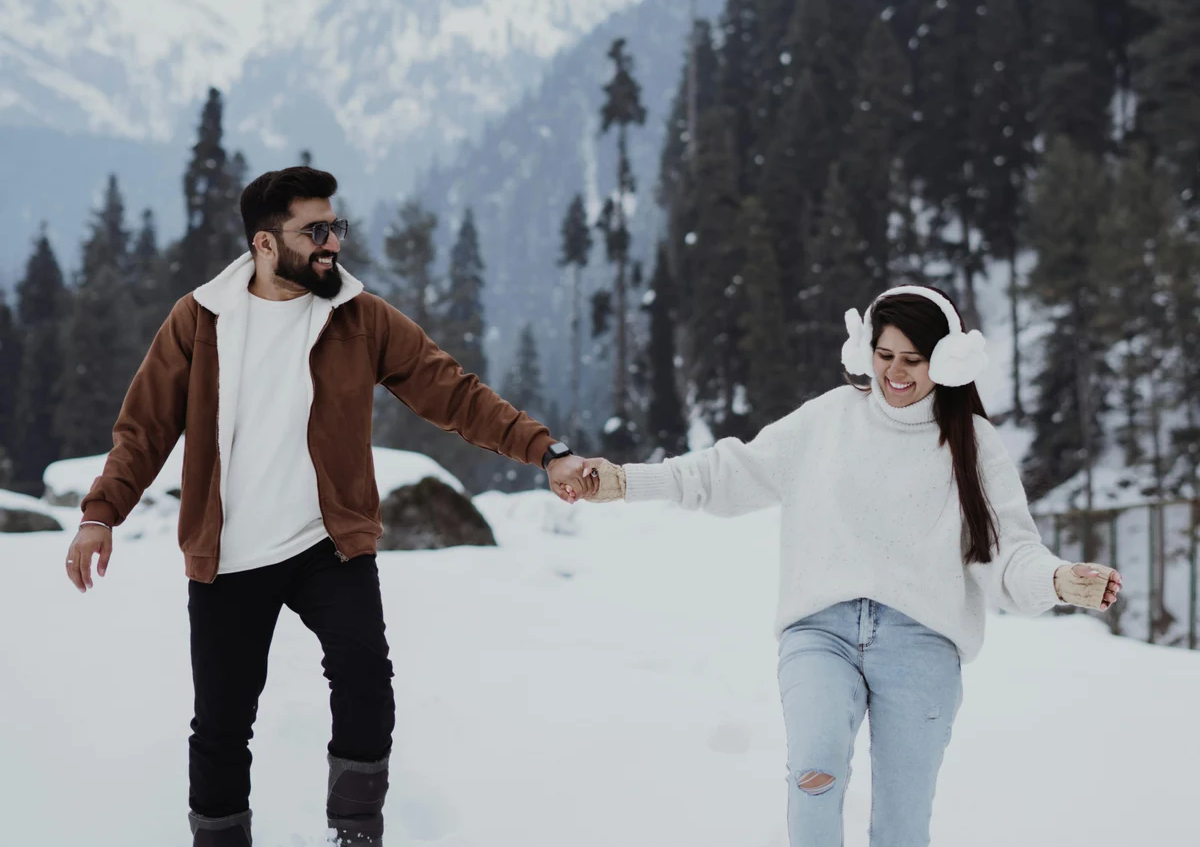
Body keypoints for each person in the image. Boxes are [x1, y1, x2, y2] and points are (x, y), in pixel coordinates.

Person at [63, 166, 599, 847]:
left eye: (335, 227)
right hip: (228, 553)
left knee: (367, 685)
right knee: (222, 725)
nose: (332, 244)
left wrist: (546, 452)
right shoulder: (200, 320)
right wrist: (99, 514)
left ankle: (353, 834)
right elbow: (143, 429)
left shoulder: (359, 316)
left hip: (328, 545)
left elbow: (453, 393)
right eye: (314, 230)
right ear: (263, 244)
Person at [582, 285, 1121, 847]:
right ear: (865, 351)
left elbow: (1007, 550)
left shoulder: (973, 444)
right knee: (815, 773)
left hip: (923, 643)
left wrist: (1057, 580)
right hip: (820, 631)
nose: (895, 373)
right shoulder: (829, 419)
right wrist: (626, 481)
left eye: (913, 360)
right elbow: (728, 471)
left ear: (944, 361)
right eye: (884, 355)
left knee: (902, 823)